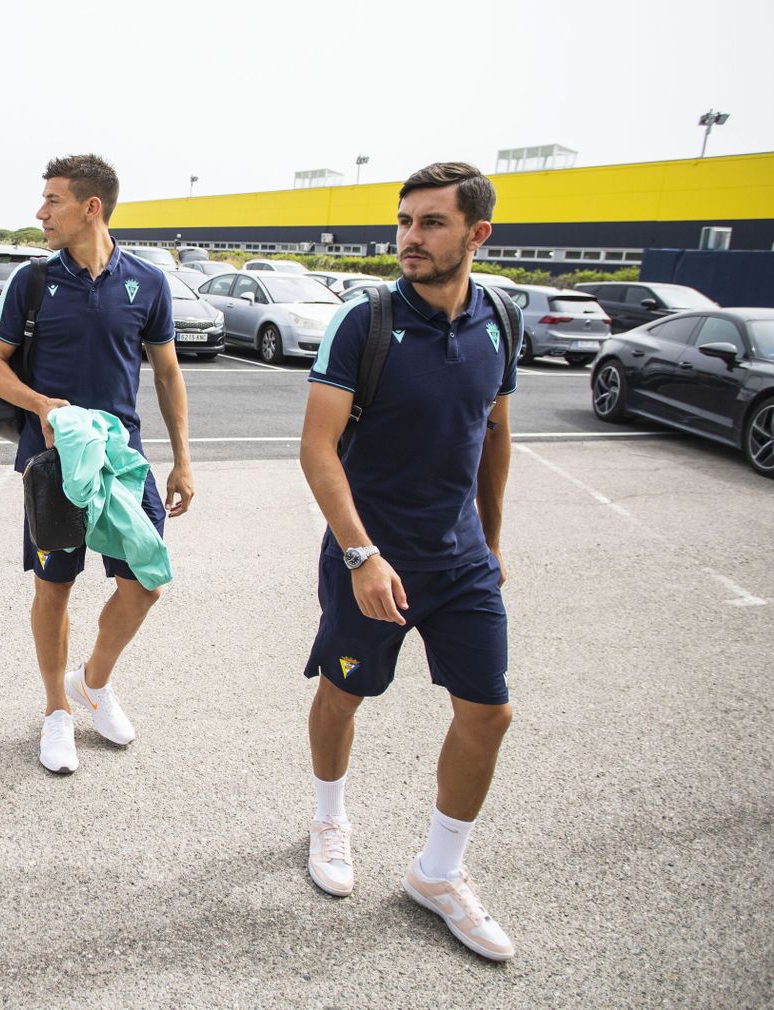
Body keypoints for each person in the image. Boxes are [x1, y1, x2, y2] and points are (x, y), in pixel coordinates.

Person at [297, 162, 521, 960]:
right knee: (344, 694)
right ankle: (328, 818)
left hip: (460, 559)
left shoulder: (500, 316)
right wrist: (360, 554)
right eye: (404, 222)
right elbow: (316, 448)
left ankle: (438, 872)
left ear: (477, 234)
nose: (410, 239)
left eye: (430, 223)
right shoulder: (367, 320)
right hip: (370, 552)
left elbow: (492, 437)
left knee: (489, 712)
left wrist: (491, 544)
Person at [0, 154, 194, 775]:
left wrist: (182, 461)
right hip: (52, 460)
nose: (40, 212)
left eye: (53, 201)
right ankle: (56, 712)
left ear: (91, 207)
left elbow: (168, 373)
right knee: (55, 586)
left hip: (122, 459)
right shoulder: (33, 282)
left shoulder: (147, 282)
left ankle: (93, 681)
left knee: (146, 579)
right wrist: (40, 403)